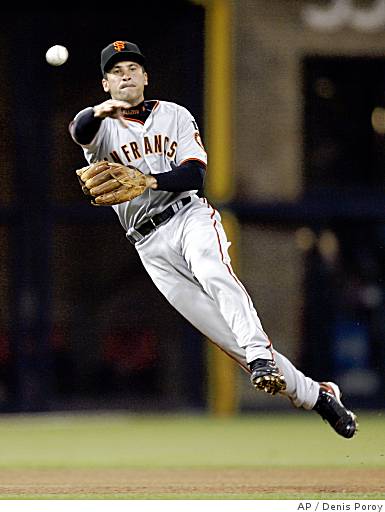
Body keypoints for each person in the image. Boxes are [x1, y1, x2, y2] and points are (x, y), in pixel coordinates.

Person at [69, 40, 357, 438]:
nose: (126, 75)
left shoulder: (174, 115)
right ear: (105, 84)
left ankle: (261, 357)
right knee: (222, 332)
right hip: (148, 245)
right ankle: (318, 396)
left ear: (146, 77)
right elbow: (79, 129)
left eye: (133, 68)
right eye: (117, 71)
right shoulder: (100, 128)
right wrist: (101, 111)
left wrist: (149, 180)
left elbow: (194, 175)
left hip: (189, 217)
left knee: (213, 271)